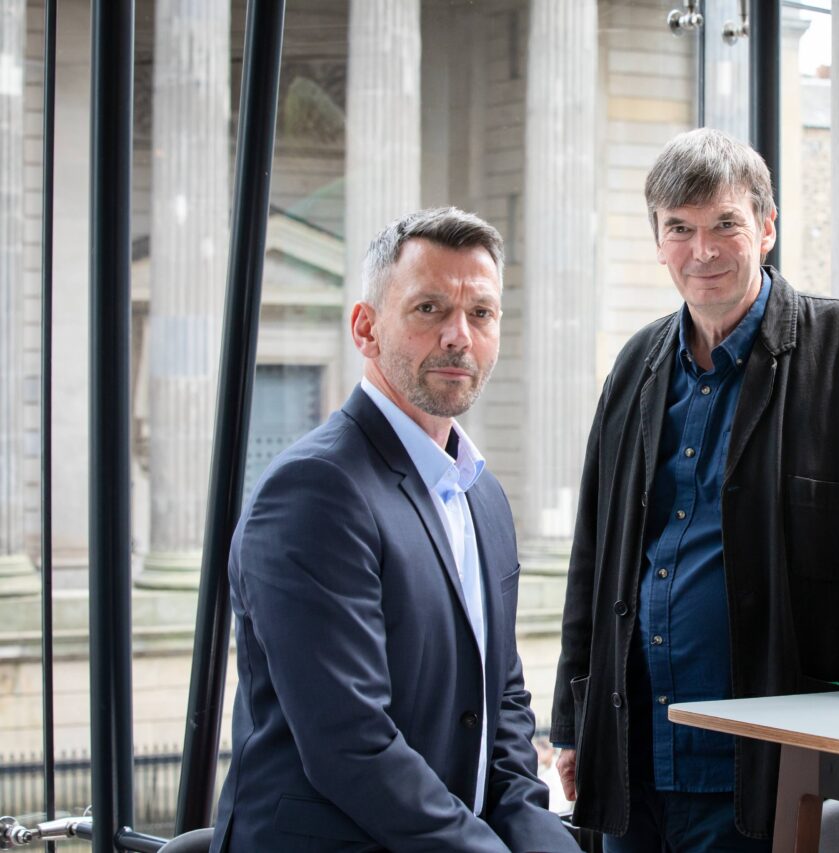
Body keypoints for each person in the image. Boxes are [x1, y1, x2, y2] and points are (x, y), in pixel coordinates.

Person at [551, 129, 839, 851]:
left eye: (724, 224)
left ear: (766, 227)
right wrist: (575, 723)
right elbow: (593, 555)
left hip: (770, 756)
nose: (702, 250)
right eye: (680, 229)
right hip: (637, 757)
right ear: (659, 241)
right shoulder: (636, 365)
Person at [211, 208, 579, 853]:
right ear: (366, 328)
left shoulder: (482, 493)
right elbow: (350, 743)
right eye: (429, 309)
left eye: (481, 313)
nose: (459, 336)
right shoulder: (314, 491)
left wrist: (539, 838)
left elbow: (502, 701)